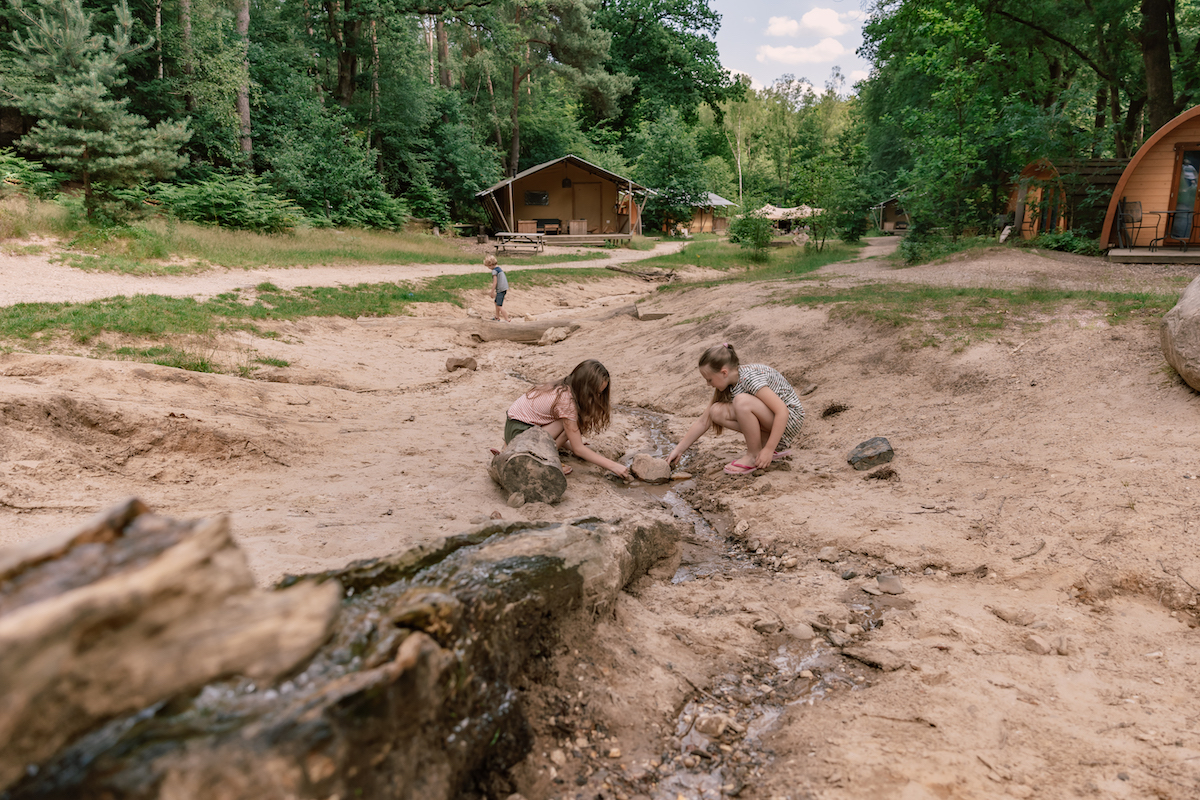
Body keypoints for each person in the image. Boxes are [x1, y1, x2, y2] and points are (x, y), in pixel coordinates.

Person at [667, 343, 805, 475]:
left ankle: (754, 454)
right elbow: (704, 421)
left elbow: (782, 411)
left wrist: (768, 450)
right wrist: (679, 450)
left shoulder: (749, 378)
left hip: (789, 420)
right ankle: (764, 444)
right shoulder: (730, 384)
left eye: (709, 380)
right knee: (716, 411)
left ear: (724, 372)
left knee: (741, 401)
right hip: (773, 419)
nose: (708, 384)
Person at [499, 359, 629, 479]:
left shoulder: (563, 387)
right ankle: (545, 458)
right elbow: (579, 449)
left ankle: (510, 445)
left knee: (570, 425)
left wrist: (571, 444)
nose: (597, 396)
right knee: (570, 422)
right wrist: (614, 466)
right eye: (595, 393)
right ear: (584, 388)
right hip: (521, 434)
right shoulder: (567, 401)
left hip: (513, 426)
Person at [485, 254, 511, 322]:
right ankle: (497, 316)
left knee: (499, 305)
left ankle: (507, 319)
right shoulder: (499, 269)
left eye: (488, 266)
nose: (488, 268)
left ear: (490, 264)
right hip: (504, 289)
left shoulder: (494, 271)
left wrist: (492, 291)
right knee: (496, 302)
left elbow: (495, 282)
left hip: (500, 290)